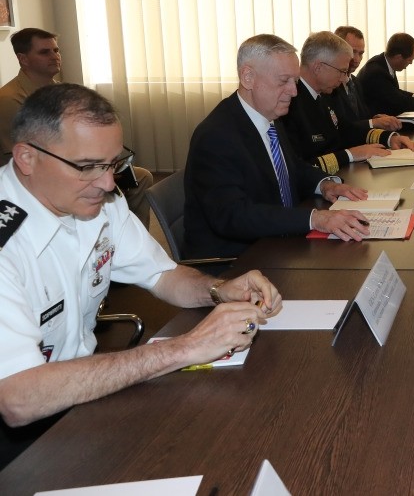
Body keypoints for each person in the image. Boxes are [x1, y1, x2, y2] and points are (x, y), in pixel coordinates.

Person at [0, 83, 281, 464]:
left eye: (113, 163)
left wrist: (220, 289)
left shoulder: (97, 202)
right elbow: (18, 398)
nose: (108, 183)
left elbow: (163, 276)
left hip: (75, 399)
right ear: (27, 158)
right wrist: (185, 347)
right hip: (17, 433)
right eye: (87, 167)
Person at [184, 34, 370, 260]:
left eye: (295, 81)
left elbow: (292, 167)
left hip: (277, 241)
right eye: (284, 81)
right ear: (248, 77)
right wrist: (314, 218)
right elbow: (233, 216)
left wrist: (325, 185)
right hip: (238, 261)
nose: (294, 91)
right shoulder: (216, 135)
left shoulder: (269, 116)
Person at [0, 28, 154, 227]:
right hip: (41, 176)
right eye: (45, 52)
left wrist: (100, 166)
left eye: (56, 50)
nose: (55, 56)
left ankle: (127, 237)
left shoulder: (60, 92)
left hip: (77, 164)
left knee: (141, 177)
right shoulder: (9, 100)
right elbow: (17, 161)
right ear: (23, 59)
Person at [281, 31, 414, 175]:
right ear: (318, 67)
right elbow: (298, 167)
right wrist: (350, 154)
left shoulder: (322, 93)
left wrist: (390, 138)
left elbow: (345, 131)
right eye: (341, 71)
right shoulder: (289, 104)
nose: (343, 79)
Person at [330, 26, 402, 132]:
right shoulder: (329, 85)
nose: (357, 59)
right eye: (353, 51)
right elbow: (340, 127)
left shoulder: (355, 82)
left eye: (361, 53)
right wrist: (372, 122)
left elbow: (361, 118)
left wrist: (376, 118)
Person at [357, 33, 414, 115]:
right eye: (409, 60)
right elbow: (400, 103)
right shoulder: (376, 72)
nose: (411, 63)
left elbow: (393, 92)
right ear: (398, 57)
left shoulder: (383, 62)